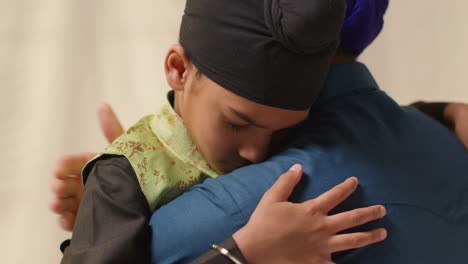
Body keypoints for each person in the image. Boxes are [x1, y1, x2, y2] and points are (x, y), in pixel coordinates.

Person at [53, 0, 468, 263]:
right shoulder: (120, 175)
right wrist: (242, 254)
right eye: (237, 122)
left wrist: (441, 112)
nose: (256, 152)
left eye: (284, 133)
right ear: (178, 69)